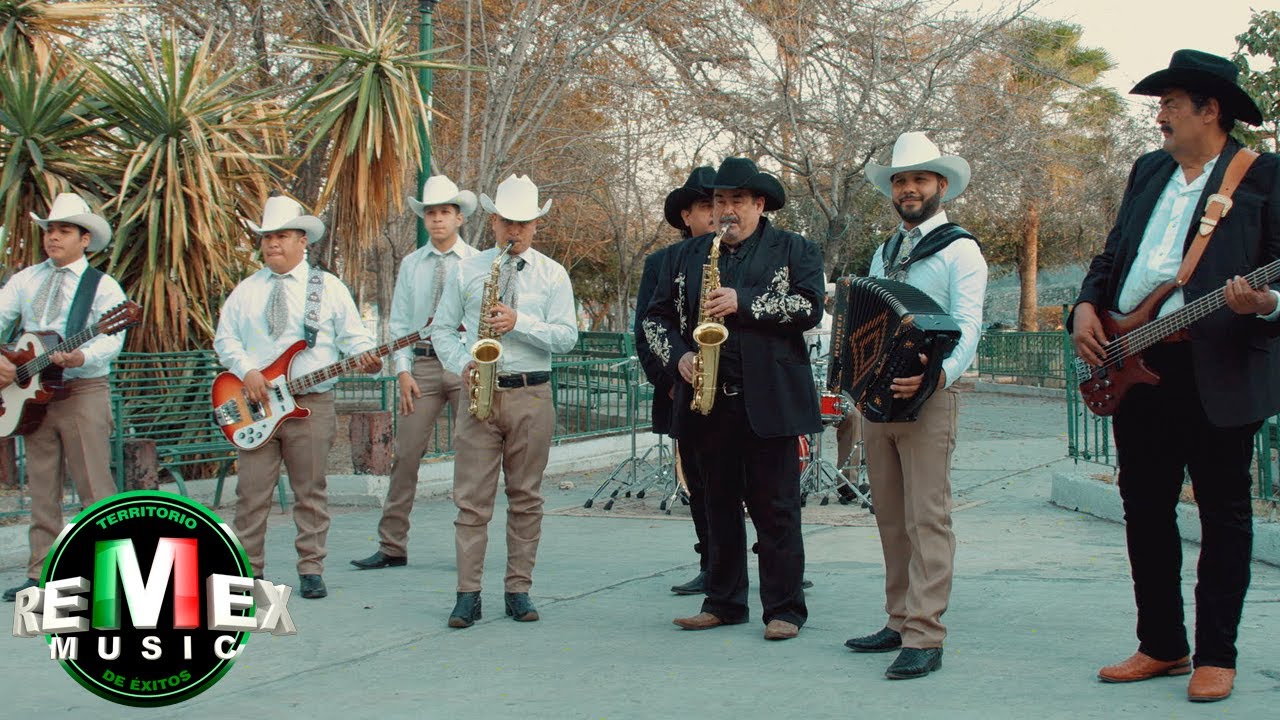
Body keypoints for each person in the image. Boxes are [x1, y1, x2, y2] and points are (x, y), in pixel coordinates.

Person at [1071, 50, 1280, 703]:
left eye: (1169, 105)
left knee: (1223, 514)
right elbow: (1113, 253)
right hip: (1134, 357)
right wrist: (1084, 307)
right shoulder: (1149, 169)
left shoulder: (1265, 176)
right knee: (1144, 509)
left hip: (1217, 366)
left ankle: (1217, 655)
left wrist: (1266, 302)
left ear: (1209, 110)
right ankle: (1162, 644)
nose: (1158, 116)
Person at [644, 157, 823, 641]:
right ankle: (722, 603)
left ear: (759, 204)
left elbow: (809, 307)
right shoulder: (686, 256)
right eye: (720, 200)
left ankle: (785, 609)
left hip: (771, 403)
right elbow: (655, 318)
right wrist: (679, 357)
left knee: (777, 510)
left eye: (737, 200)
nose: (727, 209)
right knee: (716, 506)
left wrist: (743, 302)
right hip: (708, 403)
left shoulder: (796, 249)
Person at [843, 131, 987, 680]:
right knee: (889, 514)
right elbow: (872, 320)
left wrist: (936, 376)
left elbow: (969, 324)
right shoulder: (885, 251)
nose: (908, 188)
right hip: (878, 401)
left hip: (930, 399)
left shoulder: (960, 249)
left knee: (927, 516)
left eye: (919, 179)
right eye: (900, 180)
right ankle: (899, 618)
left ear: (940, 186)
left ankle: (926, 634)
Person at [214, 195, 380, 600]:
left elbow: (354, 337)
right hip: (256, 406)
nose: (273, 243)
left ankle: (311, 568)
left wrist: (367, 357)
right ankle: (248, 572)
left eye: (283, 236)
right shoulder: (246, 291)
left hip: (311, 404)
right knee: (251, 493)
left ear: (302, 241)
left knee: (311, 489)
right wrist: (247, 371)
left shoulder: (328, 288)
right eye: (267, 237)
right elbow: (225, 339)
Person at [431, 174, 578, 628]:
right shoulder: (467, 270)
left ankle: (518, 589)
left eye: (524, 223)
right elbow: (441, 329)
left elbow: (567, 337)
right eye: (507, 222)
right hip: (481, 391)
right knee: (471, 500)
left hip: (531, 392)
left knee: (526, 497)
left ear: (536, 225)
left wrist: (520, 322)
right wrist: (462, 363)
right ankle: (467, 595)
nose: (515, 231)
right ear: (493, 221)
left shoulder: (553, 274)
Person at [0, 193, 128, 602]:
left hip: (82, 391)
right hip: (32, 398)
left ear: (84, 239)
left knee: (95, 487)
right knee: (42, 489)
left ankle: (108, 579)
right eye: (50, 230)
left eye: (64, 230)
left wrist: (81, 356)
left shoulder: (102, 286)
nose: (53, 237)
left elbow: (112, 341)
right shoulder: (25, 279)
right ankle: (40, 576)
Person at [351, 175, 480, 571]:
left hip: (463, 363)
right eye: (431, 213)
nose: (437, 219)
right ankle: (392, 545)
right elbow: (400, 322)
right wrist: (403, 371)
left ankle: (469, 549)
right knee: (406, 454)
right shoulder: (411, 264)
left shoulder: (476, 262)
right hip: (422, 365)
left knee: (471, 456)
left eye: (445, 212)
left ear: (459, 217)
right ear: (424, 219)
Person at [635, 166, 716, 595]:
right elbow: (646, 327)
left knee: (755, 482)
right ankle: (711, 563)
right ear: (686, 215)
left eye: (720, 203)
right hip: (684, 388)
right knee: (699, 482)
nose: (716, 213)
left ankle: (775, 564)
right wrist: (670, 379)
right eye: (705, 206)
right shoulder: (661, 262)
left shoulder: (743, 255)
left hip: (738, 391)